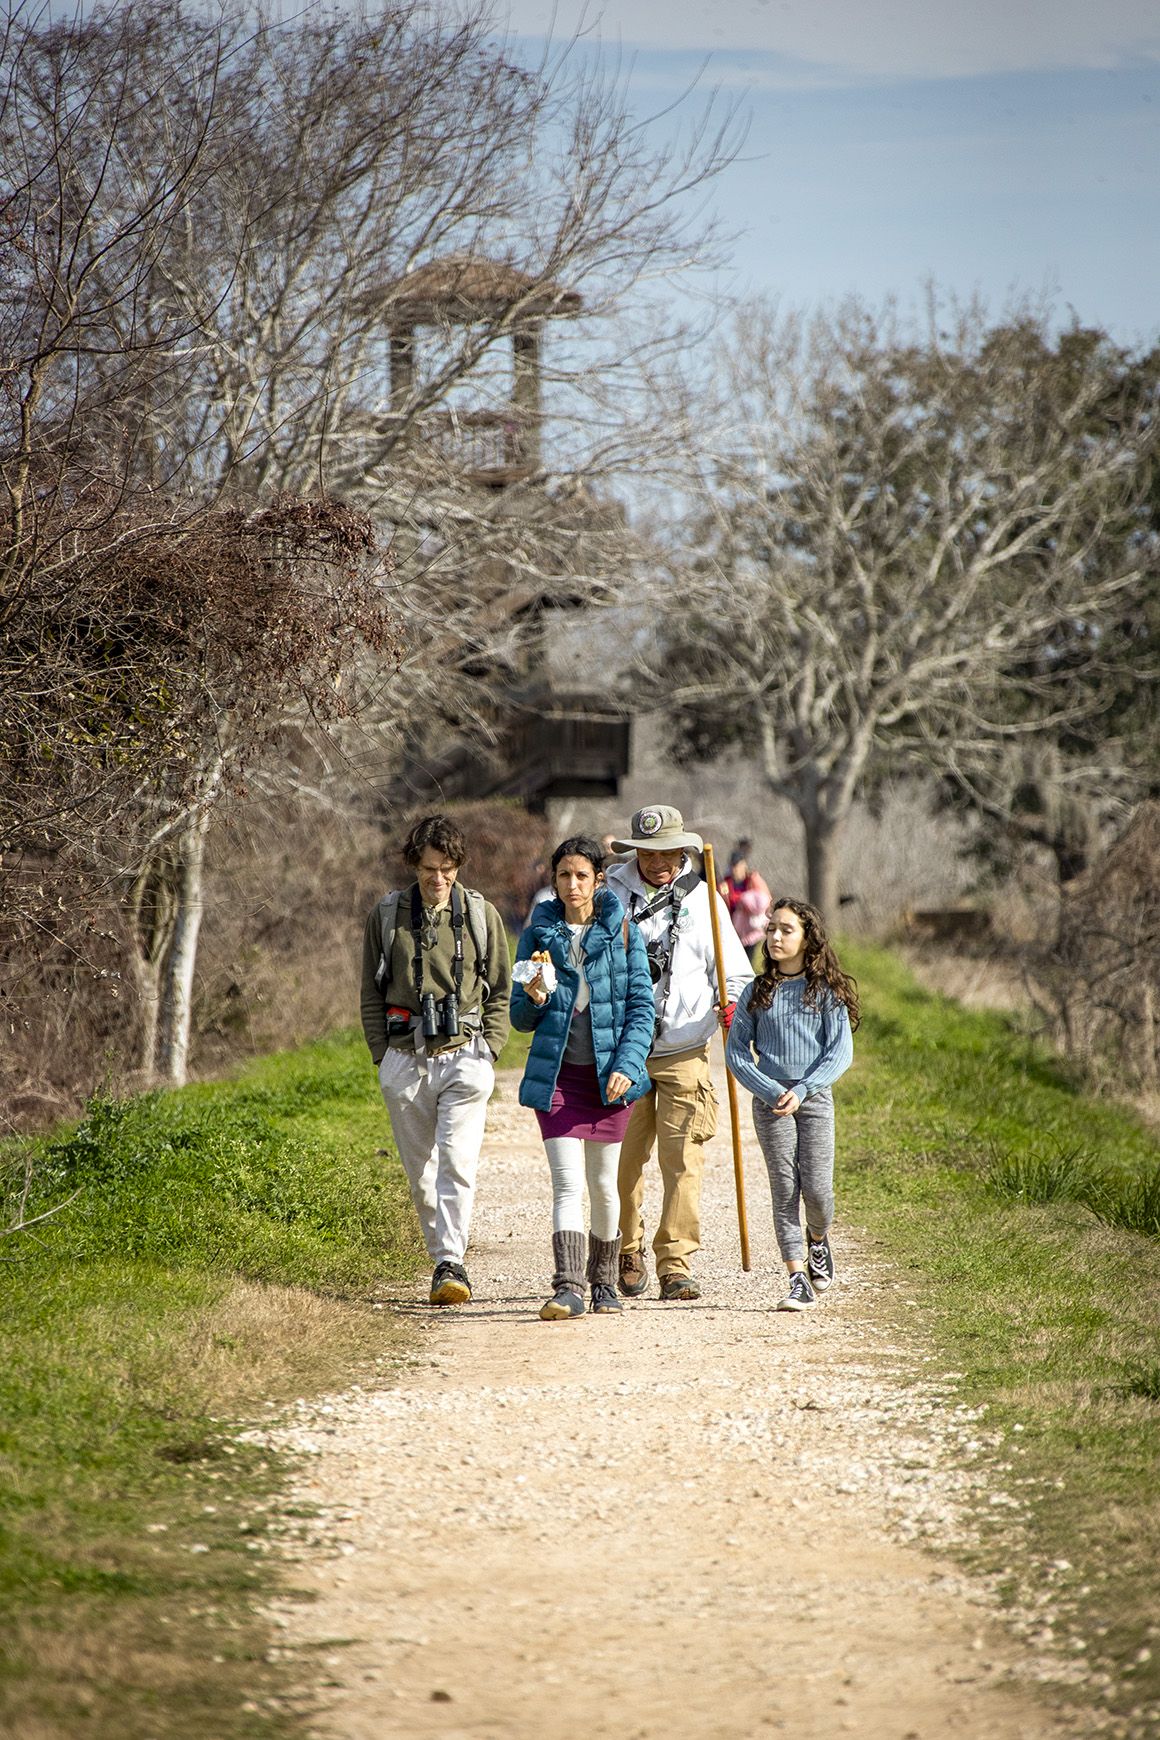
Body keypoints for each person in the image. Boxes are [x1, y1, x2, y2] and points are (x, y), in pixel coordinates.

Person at [360, 814, 512, 1306]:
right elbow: (370, 993)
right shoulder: (386, 916)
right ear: (414, 864)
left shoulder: (481, 915)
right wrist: (382, 1056)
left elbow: (502, 990)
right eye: (428, 868)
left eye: (447, 868)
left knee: (458, 1161)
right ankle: (442, 1255)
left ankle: (451, 1262)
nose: (438, 879)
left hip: (465, 1054)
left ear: (459, 866)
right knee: (421, 1173)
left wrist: (489, 1048)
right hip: (405, 1055)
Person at [604, 805, 754, 1301]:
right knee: (623, 1162)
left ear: (683, 850)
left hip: (685, 1050)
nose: (661, 862)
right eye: (650, 853)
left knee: (683, 1160)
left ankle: (675, 1262)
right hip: (622, 1051)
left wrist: (730, 1005)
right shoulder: (611, 896)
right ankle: (627, 1248)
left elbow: (735, 973)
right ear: (636, 853)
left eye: (670, 852)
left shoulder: (704, 898)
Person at [512, 835, 655, 1319]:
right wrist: (532, 996)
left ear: (599, 879)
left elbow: (641, 1010)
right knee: (567, 1184)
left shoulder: (624, 933)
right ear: (553, 881)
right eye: (563, 876)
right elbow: (520, 1019)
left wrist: (627, 1065)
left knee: (602, 1184)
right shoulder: (536, 935)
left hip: (607, 1081)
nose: (572, 885)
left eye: (581, 875)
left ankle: (605, 1286)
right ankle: (569, 1287)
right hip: (556, 1078)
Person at [725, 898, 858, 1311]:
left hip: (814, 1099)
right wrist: (770, 1091)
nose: (774, 937)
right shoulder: (756, 991)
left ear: (807, 938)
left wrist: (802, 1090)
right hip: (770, 1102)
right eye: (770, 929)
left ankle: (817, 1239)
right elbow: (736, 1055)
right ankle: (796, 1276)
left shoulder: (826, 992)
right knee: (784, 1188)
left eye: (786, 930)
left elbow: (840, 1053)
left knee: (817, 1191)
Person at [718, 840, 771, 960]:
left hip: (752, 928)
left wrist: (747, 904)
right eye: (734, 866)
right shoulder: (724, 883)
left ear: (745, 864)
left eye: (739, 865)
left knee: (750, 959)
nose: (736, 869)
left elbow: (765, 899)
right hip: (732, 927)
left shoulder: (752, 880)